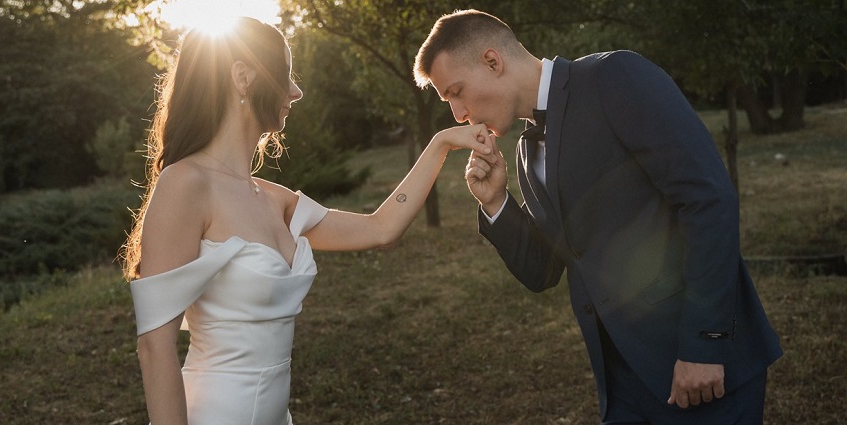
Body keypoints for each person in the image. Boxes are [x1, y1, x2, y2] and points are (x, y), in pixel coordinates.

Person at [413, 10, 783, 425]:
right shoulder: (524, 153)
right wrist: (496, 202)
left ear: (492, 61)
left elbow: (708, 201)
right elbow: (543, 271)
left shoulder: (615, 77)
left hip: (700, 369)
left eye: (456, 92)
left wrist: (704, 344)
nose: (458, 114)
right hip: (622, 387)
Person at [123, 18, 492, 425]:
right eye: (285, 74)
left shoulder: (274, 199)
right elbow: (155, 346)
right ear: (243, 77)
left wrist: (441, 144)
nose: (295, 91)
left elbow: (380, 229)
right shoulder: (185, 184)